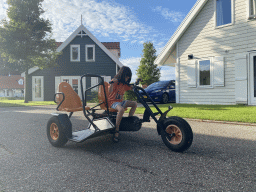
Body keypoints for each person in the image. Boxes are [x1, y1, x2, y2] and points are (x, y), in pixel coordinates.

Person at [108, 66, 137, 143]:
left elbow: (131, 87)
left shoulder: (124, 84)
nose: (127, 78)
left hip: (121, 102)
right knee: (121, 109)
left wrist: (136, 83)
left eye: (128, 77)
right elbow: (110, 91)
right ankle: (116, 130)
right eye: (126, 76)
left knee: (134, 103)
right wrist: (111, 84)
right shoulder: (115, 81)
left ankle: (129, 120)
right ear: (122, 74)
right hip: (113, 102)